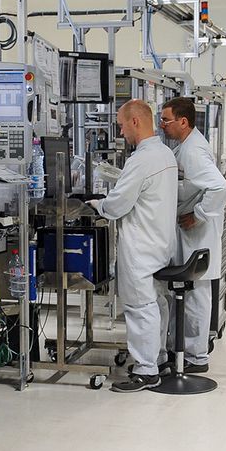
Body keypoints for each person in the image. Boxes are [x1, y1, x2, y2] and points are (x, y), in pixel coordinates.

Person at [90, 99, 178, 392]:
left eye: (121, 124)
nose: (121, 131)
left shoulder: (140, 160)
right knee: (157, 302)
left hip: (141, 246)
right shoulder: (164, 154)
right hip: (160, 243)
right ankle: (160, 358)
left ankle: (145, 371)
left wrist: (97, 204)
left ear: (135, 122)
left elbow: (118, 205)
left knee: (140, 307)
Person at [159, 97, 226, 373]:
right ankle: (185, 350)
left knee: (196, 294)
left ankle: (196, 357)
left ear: (183, 122)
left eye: (166, 120)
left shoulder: (193, 152)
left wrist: (198, 214)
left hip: (197, 232)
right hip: (192, 233)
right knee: (190, 294)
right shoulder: (186, 146)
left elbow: (219, 189)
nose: (162, 126)